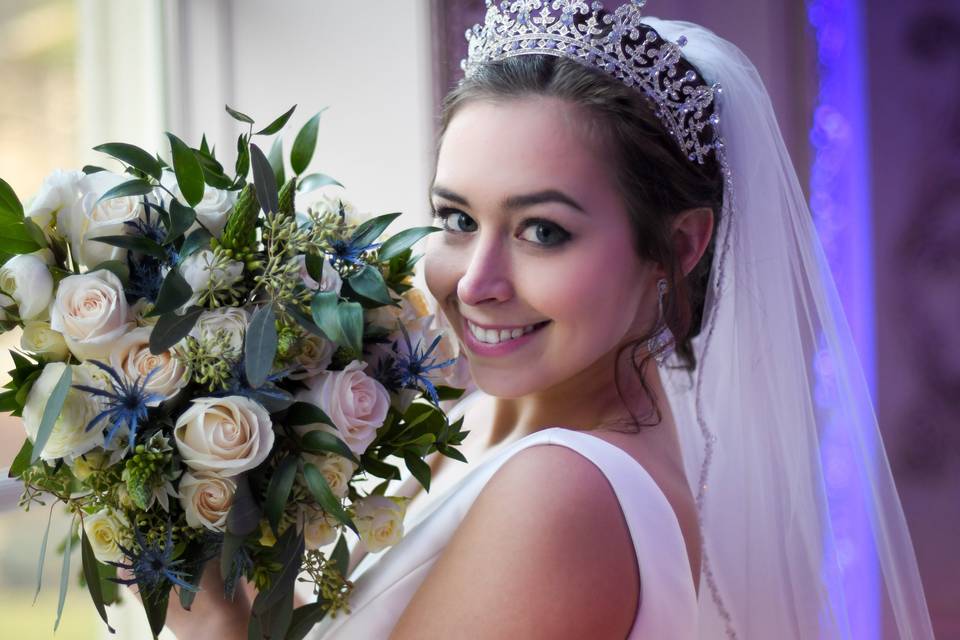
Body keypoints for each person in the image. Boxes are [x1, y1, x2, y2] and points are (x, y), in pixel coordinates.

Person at [165, 1, 937, 638]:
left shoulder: (564, 494)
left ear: (678, 243)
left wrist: (200, 609)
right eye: (457, 218)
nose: (476, 282)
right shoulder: (481, 419)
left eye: (544, 231)